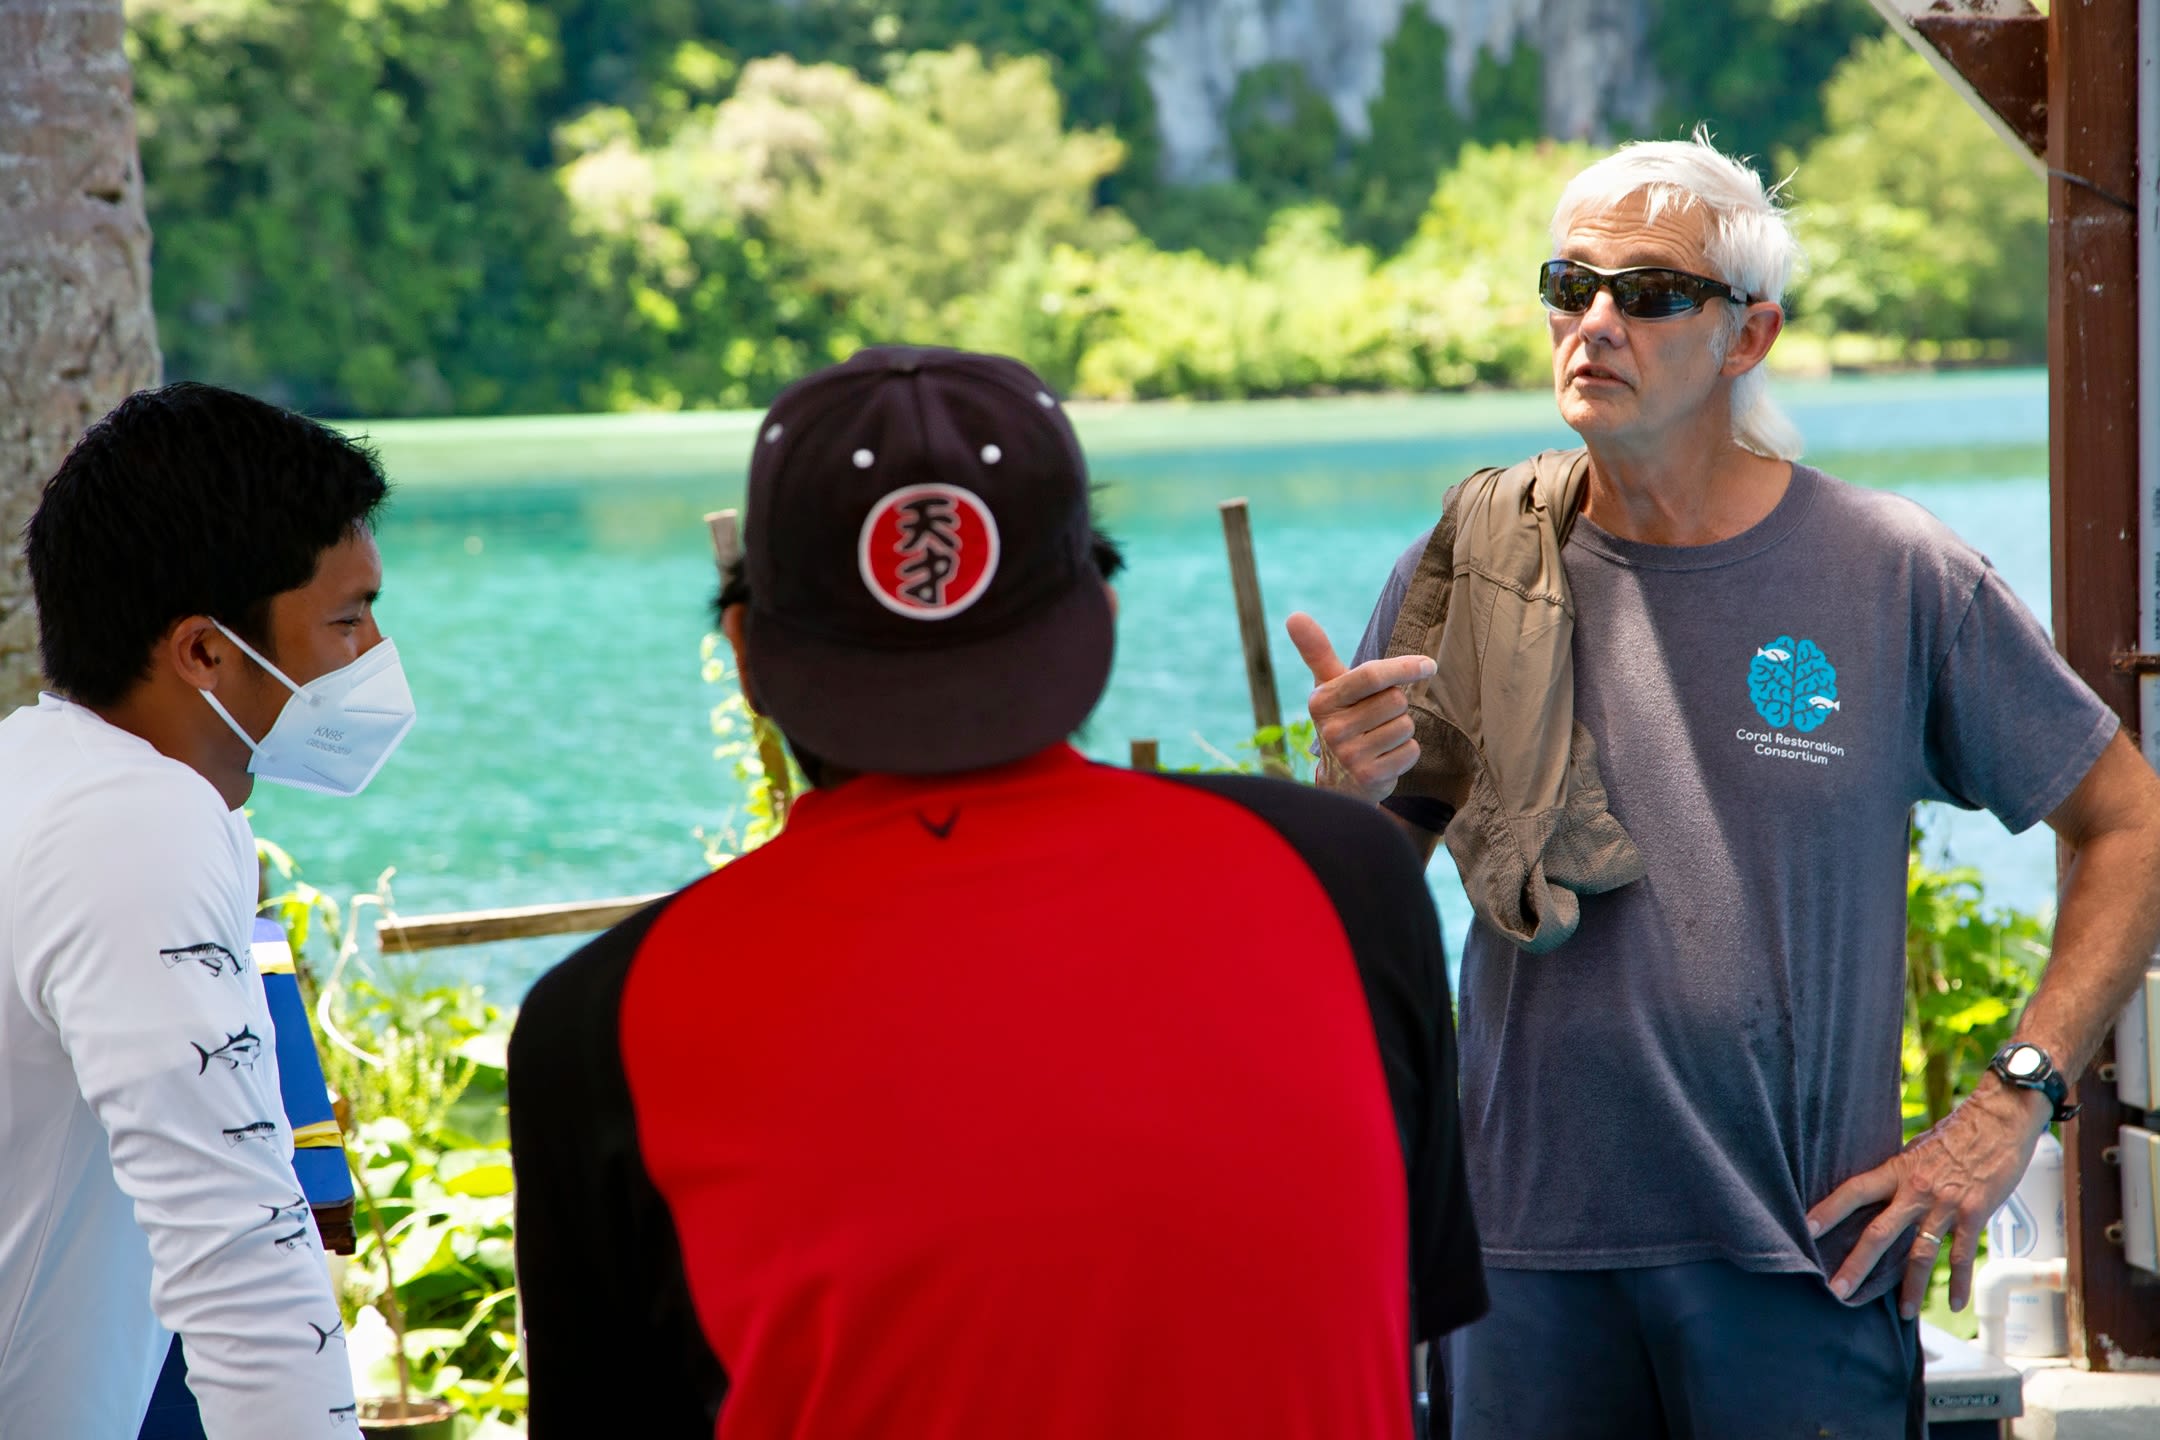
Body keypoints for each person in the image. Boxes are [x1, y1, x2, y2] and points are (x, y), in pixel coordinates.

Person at [1290, 136, 2160, 1438]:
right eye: (1567, 284)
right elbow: (1359, 903)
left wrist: (2013, 1101)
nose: (1594, 324)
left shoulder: (1890, 572)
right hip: (1522, 1268)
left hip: (1804, 1260)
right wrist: (1350, 792)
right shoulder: (1474, 563)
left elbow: (2130, 823)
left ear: (1747, 337)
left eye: (1646, 294)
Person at [507, 345, 1486, 1439]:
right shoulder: (1344, 878)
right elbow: (1403, 1304)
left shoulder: (604, 1019)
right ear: (1100, 618)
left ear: (745, 653)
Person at [0, 382, 418, 1436]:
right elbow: (238, 1252)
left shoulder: (41, 770)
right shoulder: (136, 825)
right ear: (203, 652)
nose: (373, 654)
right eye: (345, 617)